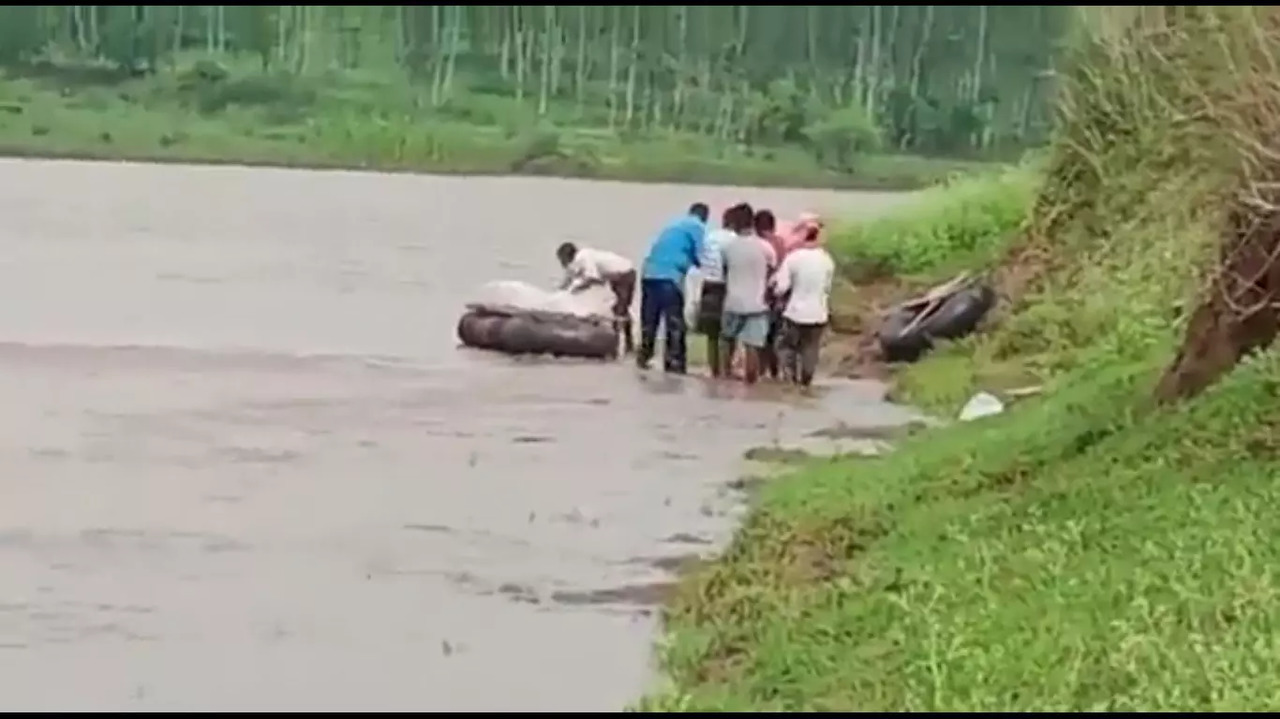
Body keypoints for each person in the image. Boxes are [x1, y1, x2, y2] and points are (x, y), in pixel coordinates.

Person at [637, 202, 708, 373]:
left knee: (649, 320)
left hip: (648, 274)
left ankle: (644, 357)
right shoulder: (697, 227)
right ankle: (674, 362)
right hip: (670, 277)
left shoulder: (672, 225)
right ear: (704, 216)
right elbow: (702, 256)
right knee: (674, 323)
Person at [771, 218, 834, 388]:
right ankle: (806, 381)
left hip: (795, 312)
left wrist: (775, 294)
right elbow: (827, 288)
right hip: (819, 313)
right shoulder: (827, 260)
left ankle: (790, 377)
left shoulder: (794, 258)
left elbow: (781, 288)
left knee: (785, 345)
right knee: (811, 348)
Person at [718, 202, 777, 384]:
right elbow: (772, 272)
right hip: (757, 303)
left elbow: (724, 271)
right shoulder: (765, 247)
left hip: (733, 301)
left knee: (727, 340)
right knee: (753, 345)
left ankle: (724, 377)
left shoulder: (728, 247)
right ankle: (751, 382)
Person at [556, 242, 638, 356]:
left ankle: (621, 344)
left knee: (620, 310)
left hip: (625, 274)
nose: (562, 264)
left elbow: (592, 278)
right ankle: (626, 344)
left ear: (567, 257)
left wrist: (574, 289)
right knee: (618, 309)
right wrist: (562, 290)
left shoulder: (584, 257)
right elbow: (570, 278)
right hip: (615, 276)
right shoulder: (577, 262)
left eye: (562, 260)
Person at [694, 205, 734, 377]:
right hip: (725, 286)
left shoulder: (710, 236)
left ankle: (714, 370)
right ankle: (726, 369)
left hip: (708, 285)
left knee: (712, 334)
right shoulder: (734, 239)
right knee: (727, 331)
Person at [753, 209, 785, 380]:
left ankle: (761, 371)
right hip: (779, 296)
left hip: (762, 295)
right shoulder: (781, 243)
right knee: (774, 337)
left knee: (760, 337)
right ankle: (774, 372)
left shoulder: (759, 245)